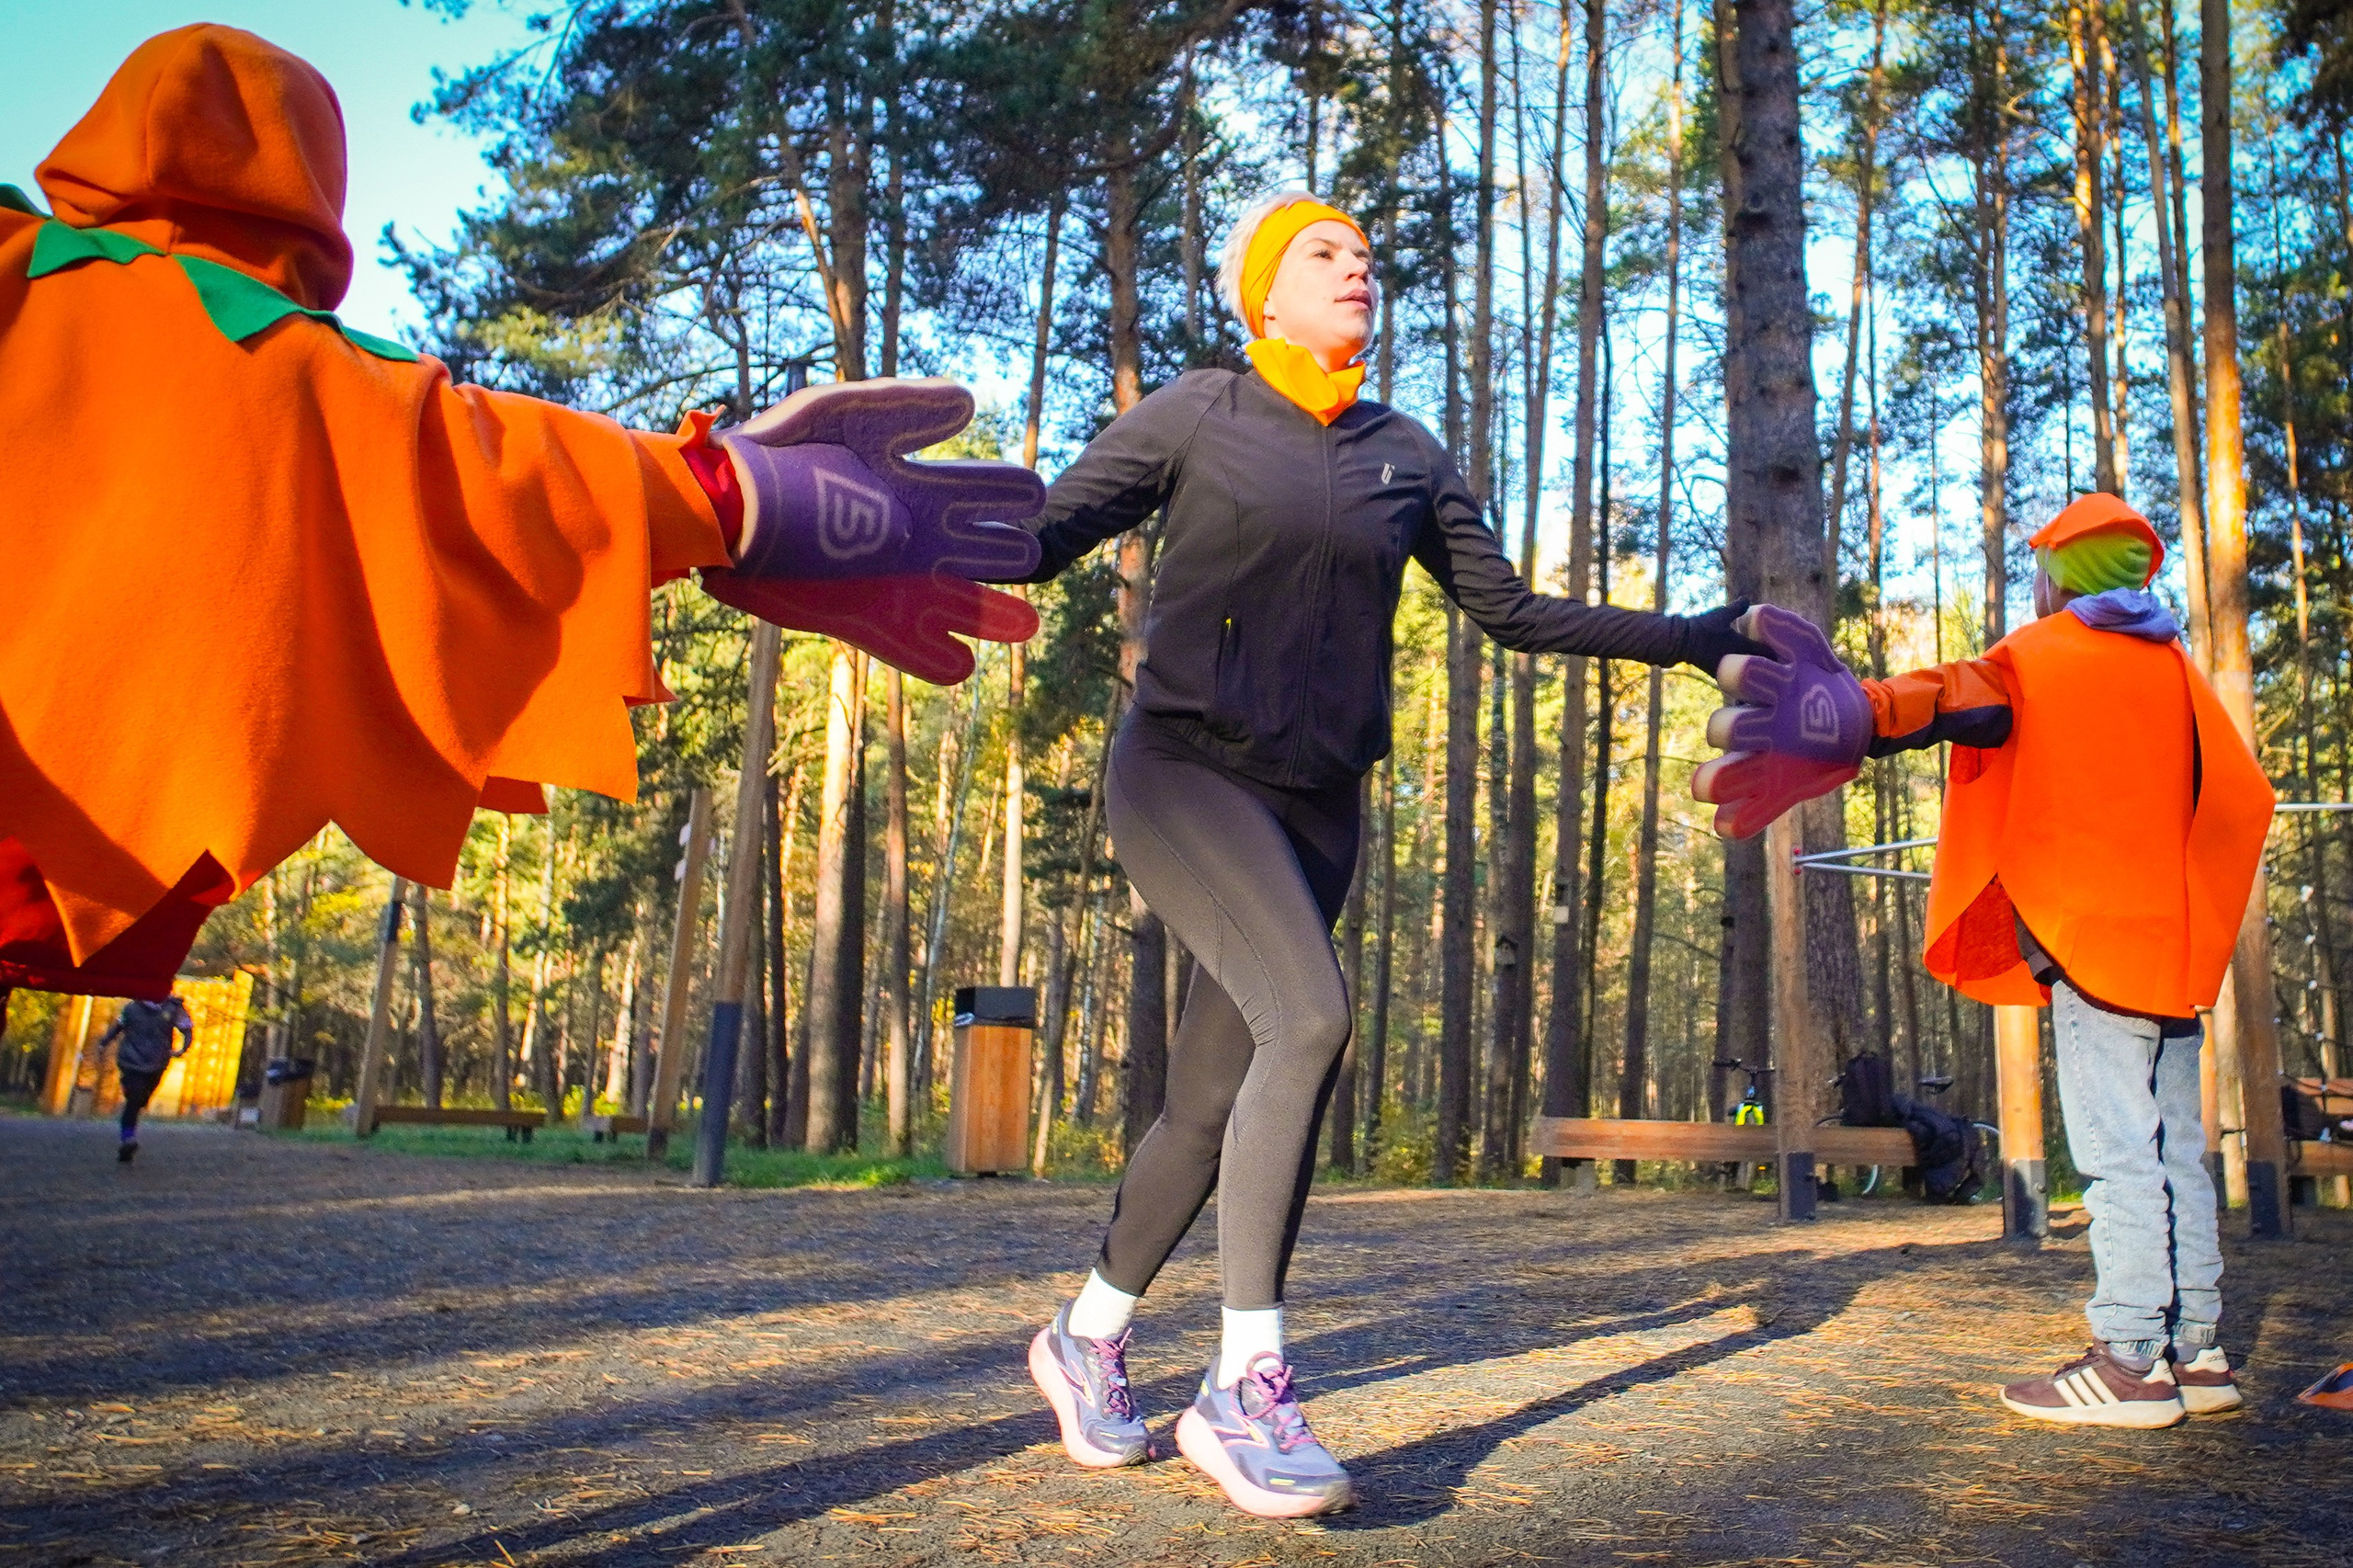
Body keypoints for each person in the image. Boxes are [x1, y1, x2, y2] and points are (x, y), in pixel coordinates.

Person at [0, 26, 1040, 1010]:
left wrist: (746, 499)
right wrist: (743, 500)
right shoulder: (324, 394)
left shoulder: (62, 297)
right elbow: (493, 476)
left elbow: (471, 464)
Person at [1017, 190, 1771, 1517]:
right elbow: (1030, 540)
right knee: (1310, 1015)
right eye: (1323, 252)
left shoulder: (1404, 453)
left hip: (1316, 808)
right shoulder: (1196, 412)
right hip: (1186, 771)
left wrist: (1693, 632)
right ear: (1263, 294)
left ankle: (1086, 1334)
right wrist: (858, 528)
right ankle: (1245, 1383)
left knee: (1211, 1099)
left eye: (1366, 255)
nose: (1356, 266)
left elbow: (1515, 613)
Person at [1697, 493, 2274, 1429]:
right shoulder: (2176, 669)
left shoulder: (2043, 656)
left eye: (2040, 565)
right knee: (2176, 1151)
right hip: (2173, 949)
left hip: (2091, 943)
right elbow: (2241, 793)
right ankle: (2194, 1348)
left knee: (2118, 1152)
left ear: (2058, 575)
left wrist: (1850, 708)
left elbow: (1949, 695)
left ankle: (2130, 1358)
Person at [98, 994, 196, 1164]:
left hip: (156, 1062)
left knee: (141, 1098)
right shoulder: (132, 1008)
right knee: (134, 1099)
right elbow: (118, 1026)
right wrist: (103, 1043)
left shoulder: (173, 1008)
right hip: (131, 1060)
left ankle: (130, 1130)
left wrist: (183, 1049)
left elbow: (187, 1029)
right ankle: (128, 1138)